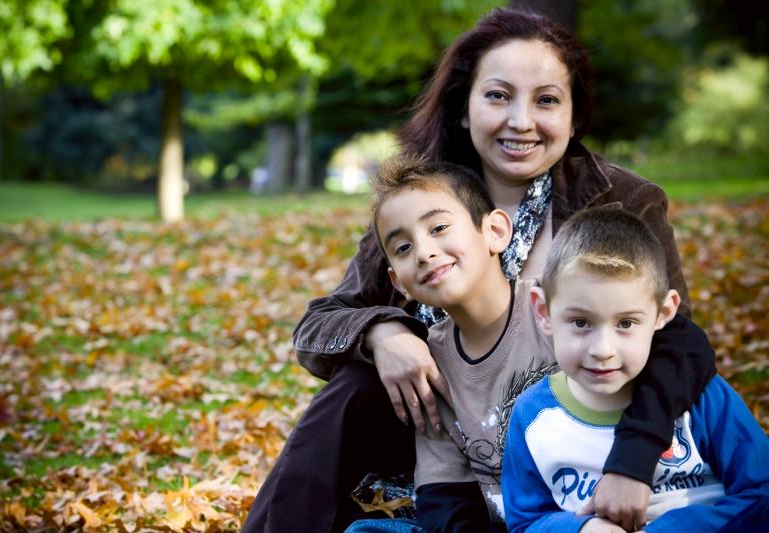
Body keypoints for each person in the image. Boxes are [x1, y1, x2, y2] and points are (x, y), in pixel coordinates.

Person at [242, 8, 716, 533]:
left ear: (575, 116)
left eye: (547, 100)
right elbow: (319, 324)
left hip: (584, 442)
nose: (521, 121)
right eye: (497, 96)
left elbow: (675, 344)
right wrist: (382, 332)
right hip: (444, 449)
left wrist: (633, 463)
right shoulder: (426, 202)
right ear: (464, 109)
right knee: (354, 385)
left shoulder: (624, 201)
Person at [502, 208, 769, 532]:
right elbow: (525, 521)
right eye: (580, 322)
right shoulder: (532, 416)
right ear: (543, 311)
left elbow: (761, 492)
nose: (602, 349)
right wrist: (582, 530)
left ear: (663, 313)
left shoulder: (702, 398)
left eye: (626, 323)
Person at [346, 156, 554, 533]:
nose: (424, 252)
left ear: (494, 231)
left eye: (439, 227)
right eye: (404, 248)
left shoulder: (553, 314)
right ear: (399, 282)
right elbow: (444, 495)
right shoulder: (432, 362)